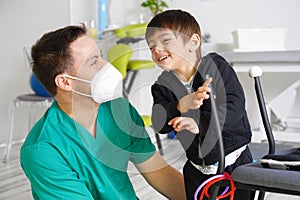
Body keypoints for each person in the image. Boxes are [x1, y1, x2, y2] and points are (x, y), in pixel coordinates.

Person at [20, 24, 186, 200]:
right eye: (94, 62)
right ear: (66, 82)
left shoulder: (120, 111)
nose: (106, 65)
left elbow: (159, 173)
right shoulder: (43, 150)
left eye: (101, 57)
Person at [145, 9, 255, 200]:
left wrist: (200, 124)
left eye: (165, 41)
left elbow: (234, 105)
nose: (157, 50)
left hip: (235, 163)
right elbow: (159, 122)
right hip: (197, 169)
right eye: (151, 46)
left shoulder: (215, 66)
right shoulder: (162, 86)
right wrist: (181, 105)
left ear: (193, 42)